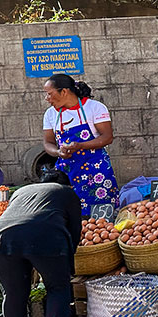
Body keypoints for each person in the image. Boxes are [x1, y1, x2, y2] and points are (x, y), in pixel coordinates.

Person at [0, 171, 87, 317]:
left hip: (1, 239)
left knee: (14, 291)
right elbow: (74, 229)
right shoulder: (68, 193)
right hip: (46, 238)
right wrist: (68, 264)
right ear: (68, 185)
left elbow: (19, 219)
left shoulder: (22, 191)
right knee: (58, 288)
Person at [42, 74, 118, 214]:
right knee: (69, 214)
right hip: (67, 173)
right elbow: (48, 142)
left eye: (49, 94)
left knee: (102, 219)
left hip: (96, 172)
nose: (47, 99)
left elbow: (107, 137)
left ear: (64, 91)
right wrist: (58, 152)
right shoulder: (50, 114)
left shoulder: (94, 108)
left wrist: (80, 146)